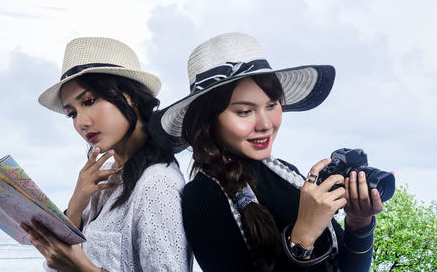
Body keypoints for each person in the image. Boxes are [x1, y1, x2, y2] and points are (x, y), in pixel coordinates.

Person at [149, 32, 384, 271]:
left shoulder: (288, 174)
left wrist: (359, 223)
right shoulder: (202, 196)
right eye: (244, 112)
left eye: (272, 105)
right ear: (208, 121)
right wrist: (303, 234)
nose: (265, 124)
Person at [21, 37, 192, 272]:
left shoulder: (157, 185)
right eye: (71, 114)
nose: (81, 122)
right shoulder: (104, 180)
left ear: (128, 97)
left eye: (89, 101)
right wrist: (76, 205)